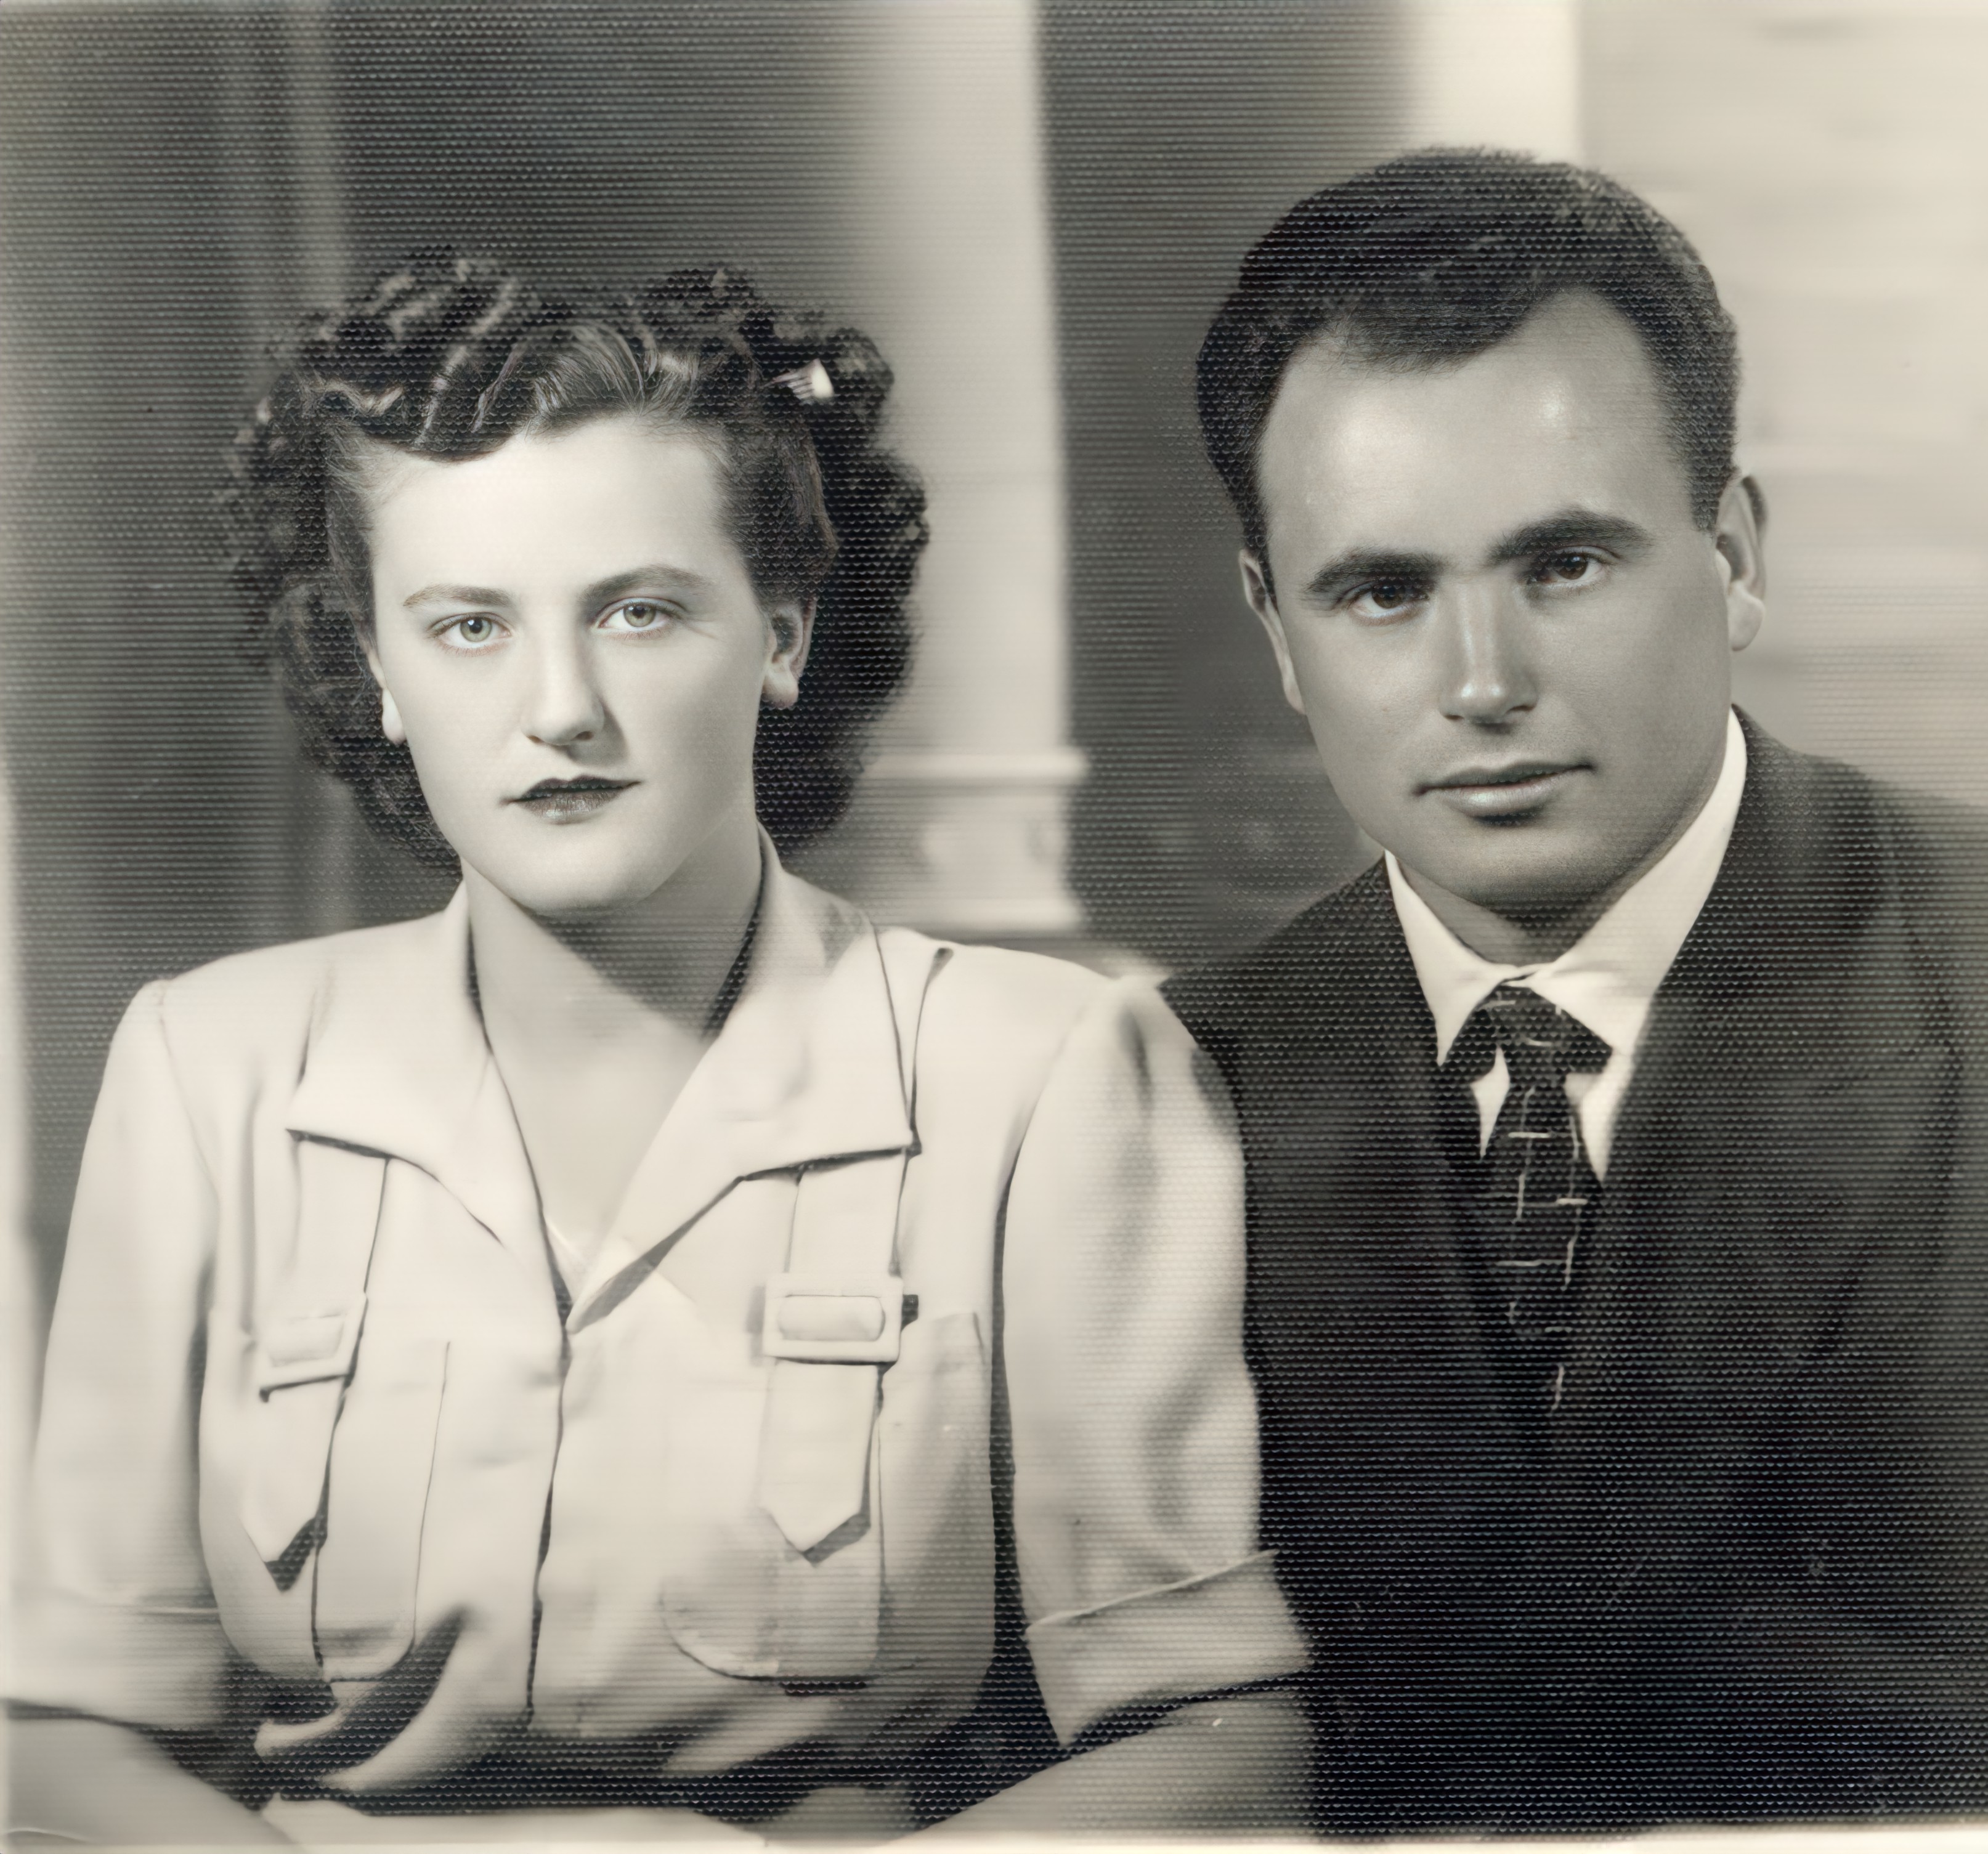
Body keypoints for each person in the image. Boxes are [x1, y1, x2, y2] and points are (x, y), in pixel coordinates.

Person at [1000, 149, 1988, 1834]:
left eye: (1562, 565)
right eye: (1384, 591)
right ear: (1275, 627)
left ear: (1735, 555)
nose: (1481, 684)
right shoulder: (1192, 1073)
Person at [7, 254, 1151, 1844]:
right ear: (378, 668)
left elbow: (1216, 1731)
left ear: (783, 636)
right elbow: (65, 1738)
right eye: (468, 626)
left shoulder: (1043, 1069)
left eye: (639, 611)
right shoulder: (211, 1070)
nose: (561, 709)